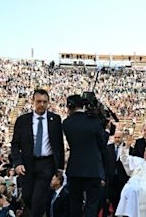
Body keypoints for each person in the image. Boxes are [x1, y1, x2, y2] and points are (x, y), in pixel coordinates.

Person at [11, 89, 65, 217]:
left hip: (46, 164)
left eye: (44, 102)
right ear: (33, 102)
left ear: (48, 103)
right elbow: (15, 144)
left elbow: (59, 144)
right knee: (28, 197)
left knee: (38, 199)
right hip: (27, 164)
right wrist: (17, 163)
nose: (41, 104)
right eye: (39, 101)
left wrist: (60, 168)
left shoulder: (55, 119)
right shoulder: (22, 120)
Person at [62, 94, 108, 217]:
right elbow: (102, 144)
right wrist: (107, 131)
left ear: (70, 106)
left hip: (74, 169)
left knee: (75, 203)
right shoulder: (95, 121)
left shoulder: (66, 123)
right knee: (91, 204)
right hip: (93, 170)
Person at [105, 131, 129, 213]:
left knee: (121, 200)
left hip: (122, 179)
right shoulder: (107, 148)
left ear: (122, 138)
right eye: (115, 137)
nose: (117, 139)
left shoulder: (128, 148)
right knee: (108, 200)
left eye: (119, 137)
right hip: (109, 178)